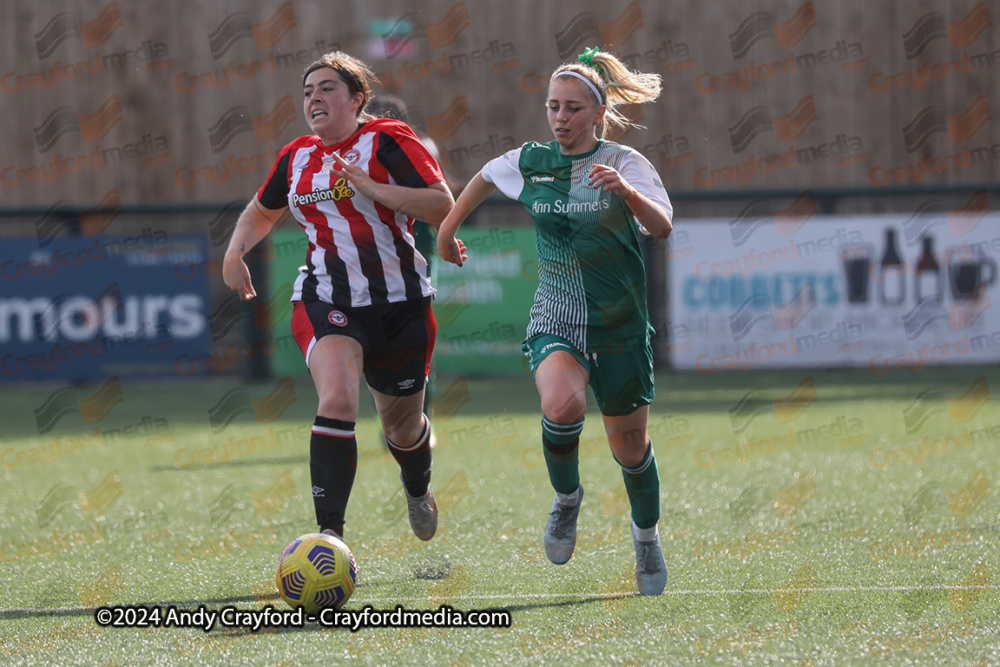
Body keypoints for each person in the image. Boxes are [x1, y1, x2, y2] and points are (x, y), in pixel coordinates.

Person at [436, 47, 673, 595]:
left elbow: (661, 227)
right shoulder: (531, 160)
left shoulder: (626, 163)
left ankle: (645, 540)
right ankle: (567, 501)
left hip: (619, 325)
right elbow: (482, 179)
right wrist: (447, 233)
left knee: (629, 449)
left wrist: (628, 194)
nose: (561, 118)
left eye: (572, 108)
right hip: (557, 315)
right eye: (553, 107)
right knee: (561, 404)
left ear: (597, 113)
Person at [222, 51, 455, 543]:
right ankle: (330, 539)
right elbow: (263, 211)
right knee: (336, 397)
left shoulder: (388, 139)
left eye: (327, 88)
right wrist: (234, 251)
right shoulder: (296, 155)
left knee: (403, 429)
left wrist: (373, 188)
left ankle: (417, 488)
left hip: (400, 304)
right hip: (326, 297)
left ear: (356, 98)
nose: (314, 99)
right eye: (308, 91)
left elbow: (441, 203)